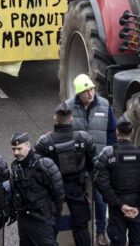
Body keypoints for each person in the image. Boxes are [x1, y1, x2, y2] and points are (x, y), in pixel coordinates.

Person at [65, 74, 117, 245]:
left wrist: (110, 151)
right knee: (79, 197)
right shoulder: (68, 107)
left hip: (99, 160)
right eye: (86, 91)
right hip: (78, 162)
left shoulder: (104, 104)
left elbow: (111, 131)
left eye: (92, 89)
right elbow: (62, 133)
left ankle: (101, 231)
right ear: (79, 93)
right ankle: (81, 232)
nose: (90, 93)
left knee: (100, 197)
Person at [35, 104, 97, 246]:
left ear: (55, 119)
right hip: (77, 188)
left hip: (53, 190)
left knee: (51, 227)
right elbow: (92, 164)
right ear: (71, 118)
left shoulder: (45, 142)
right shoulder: (83, 138)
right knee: (81, 228)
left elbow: (37, 170)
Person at [94, 119, 140, 246]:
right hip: (137, 207)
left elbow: (101, 182)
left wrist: (120, 205)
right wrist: (139, 207)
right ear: (132, 132)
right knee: (138, 242)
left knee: (117, 242)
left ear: (117, 132)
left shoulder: (107, 153)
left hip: (117, 208)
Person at [10, 132, 66, 246]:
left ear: (28, 146)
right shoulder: (16, 166)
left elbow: (59, 194)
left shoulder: (44, 164)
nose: (16, 153)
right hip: (24, 219)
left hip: (42, 219)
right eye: (14, 149)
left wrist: (53, 217)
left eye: (19, 149)